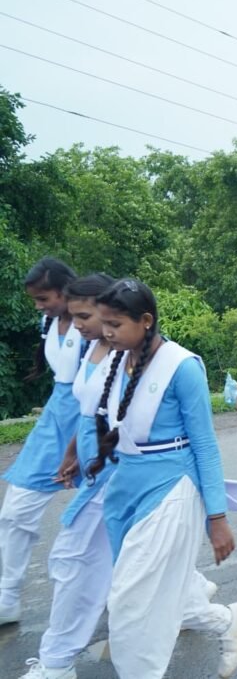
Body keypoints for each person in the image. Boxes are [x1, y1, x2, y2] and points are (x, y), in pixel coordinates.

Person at [92, 279, 237, 678]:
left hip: (170, 490)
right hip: (125, 489)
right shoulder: (116, 361)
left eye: (115, 324)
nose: (106, 332)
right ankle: (226, 621)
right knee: (152, 592)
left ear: (146, 320)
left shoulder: (182, 367)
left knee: (129, 602)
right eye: (103, 323)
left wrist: (217, 517)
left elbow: (205, 445)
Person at [18, 273, 115, 678]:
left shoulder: (129, 356)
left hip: (117, 472)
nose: (76, 326)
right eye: (73, 317)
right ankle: (210, 614)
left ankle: (57, 663)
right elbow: (88, 409)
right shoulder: (94, 350)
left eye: (83, 317)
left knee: (72, 558)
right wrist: (74, 452)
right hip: (94, 464)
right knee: (121, 560)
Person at [1, 258, 80, 626]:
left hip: (95, 419)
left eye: (43, 298)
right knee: (15, 511)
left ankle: (186, 592)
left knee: (114, 512)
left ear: (65, 291)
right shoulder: (48, 322)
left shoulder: (96, 321)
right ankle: (7, 596)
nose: (38, 306)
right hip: (56, 417)